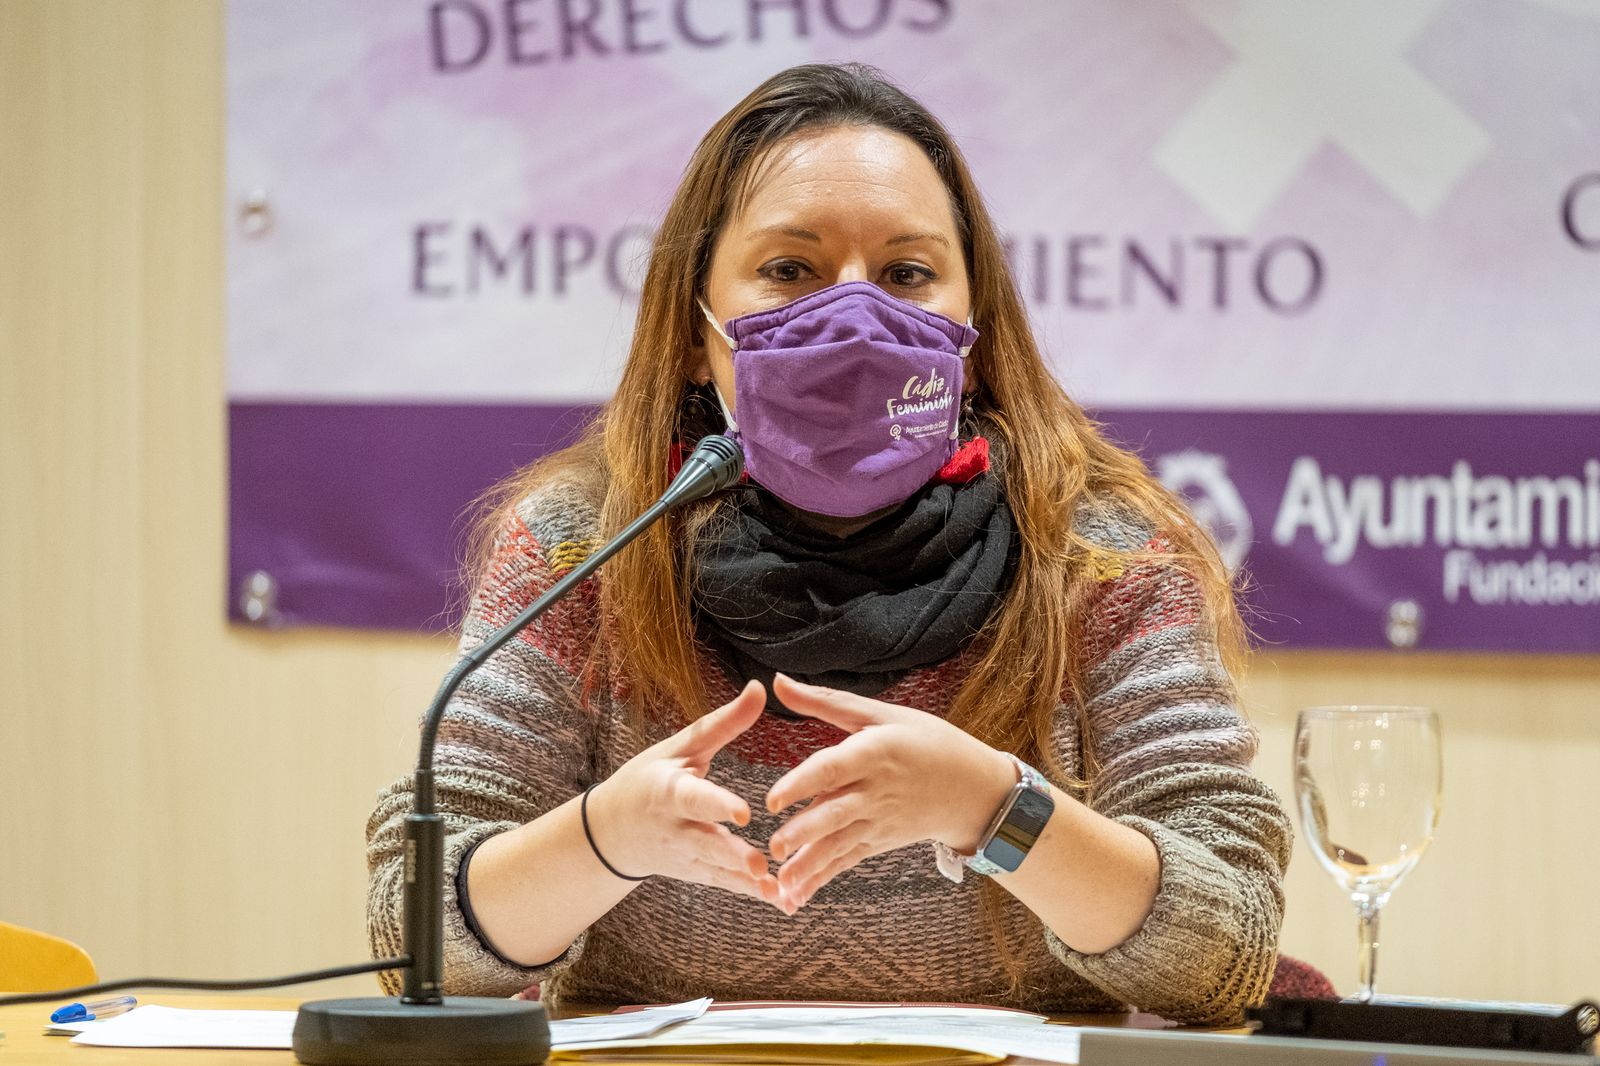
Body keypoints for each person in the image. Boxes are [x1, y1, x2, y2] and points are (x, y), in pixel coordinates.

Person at [366, 62, 1291, 1025]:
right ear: (697, 329)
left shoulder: (1102, 554)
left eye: (906, 275)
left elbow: (1225, 954)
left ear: (972, 327)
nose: (855, 317)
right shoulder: (578, 549)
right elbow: (417, 947)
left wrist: (993, 809)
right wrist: (607, 838)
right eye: (790, 271)